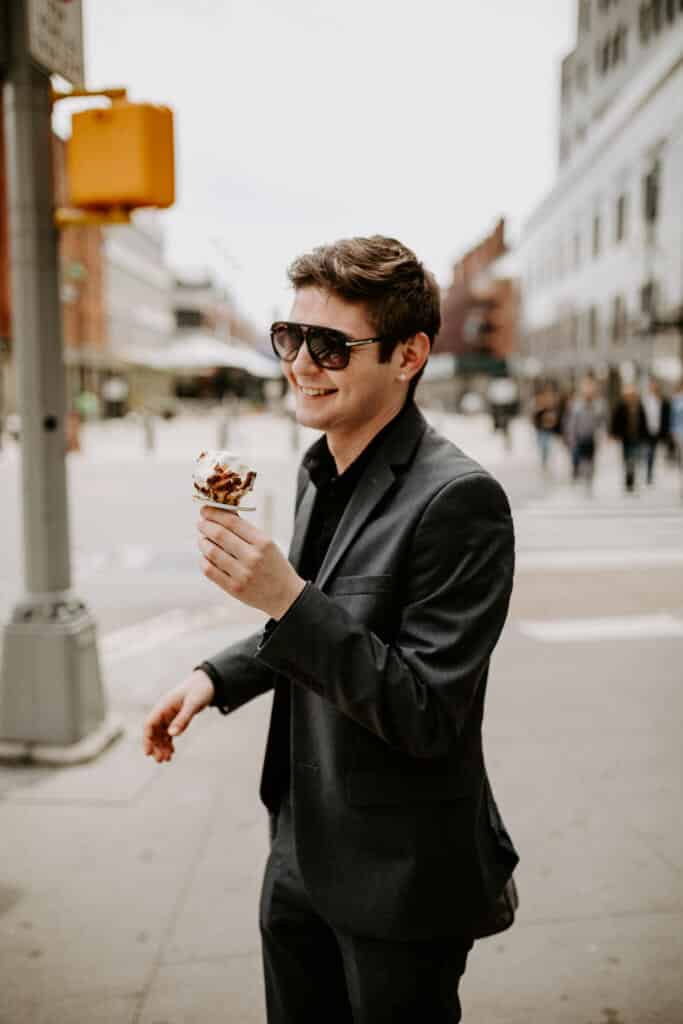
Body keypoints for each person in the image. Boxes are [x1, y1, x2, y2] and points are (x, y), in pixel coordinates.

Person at [143, 236, 518, 1024]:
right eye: (290, 337)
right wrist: (215, 677)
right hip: (298, 845)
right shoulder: (321, 472)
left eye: (330, 346)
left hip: (399, 875)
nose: (300, 363)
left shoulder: (459, 501)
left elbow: (425, 710)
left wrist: (284, 596)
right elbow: (327, 625)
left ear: (408, 355)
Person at [563, 374, 607, 490]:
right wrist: (571, 438)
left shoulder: (598, 405)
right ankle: (581, 478)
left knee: (591, 461)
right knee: (581, 460)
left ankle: (589, 481)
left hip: (591, 438)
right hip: (579, 437)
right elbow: (571, 423)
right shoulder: (576, 405)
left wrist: (601, 435)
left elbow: (601, 422)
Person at [609, 382, 648, 493]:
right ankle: (628, 480)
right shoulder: (621, 406)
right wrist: (613, 434)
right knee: (627, 459)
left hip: (636, 437)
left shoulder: (639, 406)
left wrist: (644, 435)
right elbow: (615, 421)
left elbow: (644, 422)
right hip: (625, 438)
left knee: (634, 459)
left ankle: (632, 480)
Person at [641, 377, 671, 485]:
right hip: (647, 431)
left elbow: (666, 417)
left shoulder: (663, 401)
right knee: (649, 452)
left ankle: (650, 473)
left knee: (653, 453)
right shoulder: (645, 401)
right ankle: (648, 474)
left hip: (658, 431)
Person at [531, 381, 560, 473]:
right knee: (542, 446)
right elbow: (535, 418)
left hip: (547, 430)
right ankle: (544, 462)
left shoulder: (549, 406)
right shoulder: (539, 406)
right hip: (541, 430)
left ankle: (546, 461)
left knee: (546, 446)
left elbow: (553, 417)